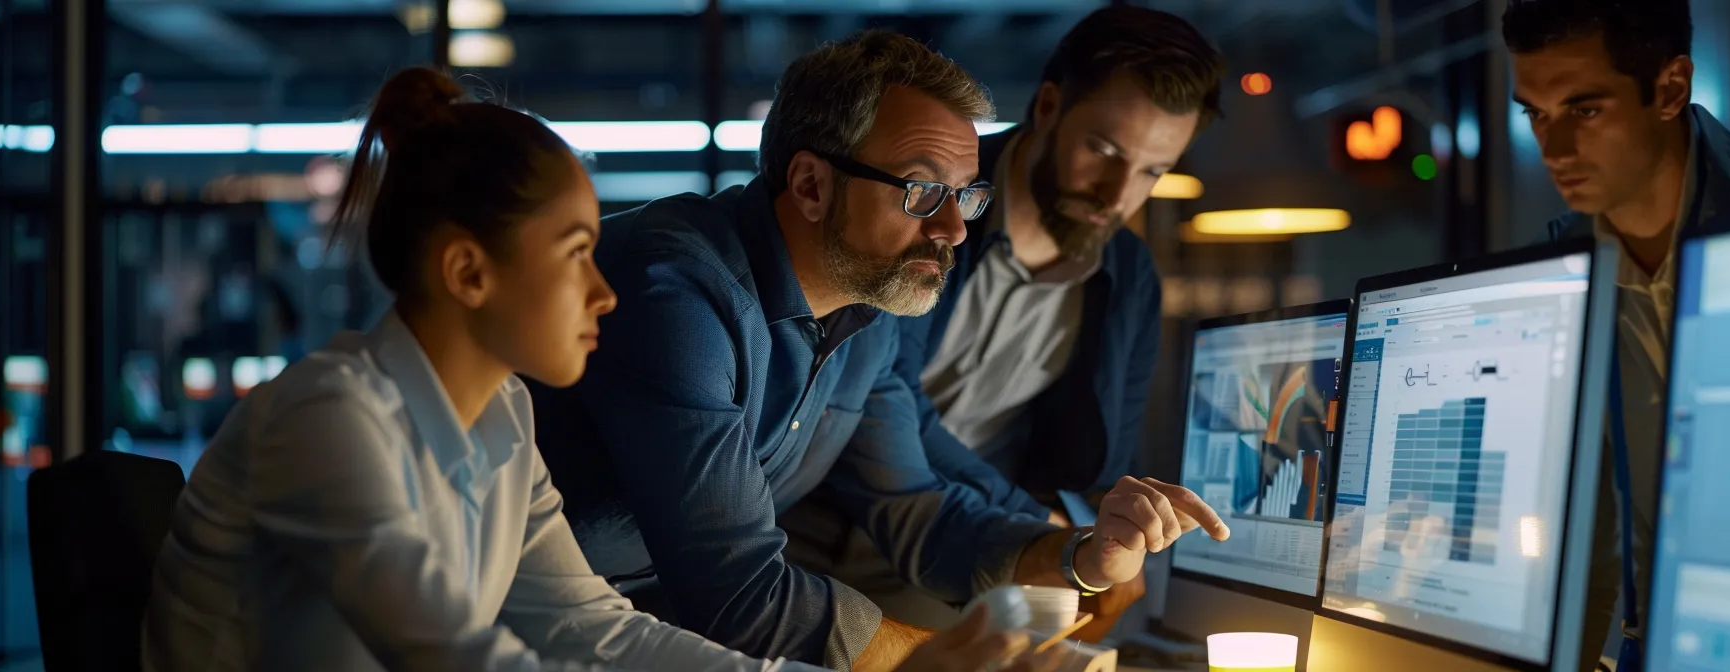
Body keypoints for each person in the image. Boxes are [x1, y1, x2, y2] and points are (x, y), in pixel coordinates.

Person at [140, 65, 1054, 672]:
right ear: (468, 272)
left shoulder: (501, 416)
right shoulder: (327, 416)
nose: (605, 292)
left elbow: (595, 630)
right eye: (577, 253)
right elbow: (453, 655)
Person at [526, 30, 1230, 672]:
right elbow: (738, 591)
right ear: (810, 184)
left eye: (966, 196)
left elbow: (918, 509)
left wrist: (1081, 556)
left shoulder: (872, 306)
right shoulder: (680, 290)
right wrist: (960, 662)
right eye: (924, 192)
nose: (954, 230)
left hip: (652, 631)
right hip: (534, 630)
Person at [778, 7, 1226, 639]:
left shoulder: (1129, 278)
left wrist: (1101, 539)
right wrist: (1049, 533)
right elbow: (889, 408)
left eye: (1154, 171)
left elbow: (1097, 470)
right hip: (830, 527)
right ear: (1047, 107)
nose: (1118, 193)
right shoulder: (927, 203)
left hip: (971, 548)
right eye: (1103, 150)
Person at [1503, 0, 1730, 666]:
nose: (1554, 149)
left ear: (1670, 89)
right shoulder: (1567, 263)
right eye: (1536, 115)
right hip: (1654, 642)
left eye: (1584, 110)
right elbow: (1583, 510)